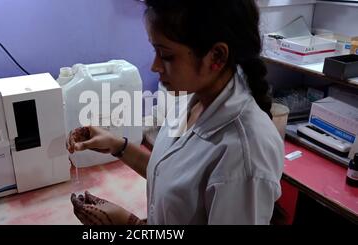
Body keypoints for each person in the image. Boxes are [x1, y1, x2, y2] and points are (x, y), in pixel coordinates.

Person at [69, 0, 284, 225]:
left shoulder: (242, 155)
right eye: (155, 51)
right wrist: (117, 146)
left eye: (167, 55)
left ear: (216, 57)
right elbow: (170, 175)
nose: (155, 66)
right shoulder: (191, 100)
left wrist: (129, 224)